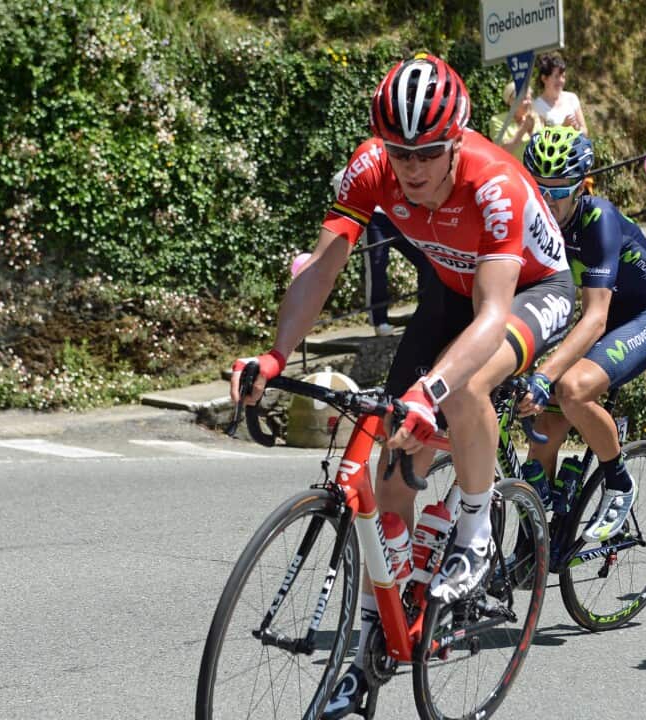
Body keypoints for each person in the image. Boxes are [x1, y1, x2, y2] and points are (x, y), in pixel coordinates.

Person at [229, 53, 575, 719]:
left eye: (427, 153)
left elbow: (495, 314)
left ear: (456, 141)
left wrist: (430, 392)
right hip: (447, 295)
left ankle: (474, 532)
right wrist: (274, 356)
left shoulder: (494, 183)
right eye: (399, 152)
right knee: (388, 479)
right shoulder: (370, 169)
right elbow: (323, 267)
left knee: (464, 387)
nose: (411, 168)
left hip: (530, 292)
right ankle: (372, 654)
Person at [517, 126, 646, 540]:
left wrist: (543, 375)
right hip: (602, 316)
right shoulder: (533, 220)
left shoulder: (598, 219)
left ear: (581, 187)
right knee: (542, 435)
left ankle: (619, 483)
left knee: (570, 387)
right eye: (539, 190)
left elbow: (594, 319)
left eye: (559, 191)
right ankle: (535, 542)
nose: (548, 201)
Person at [329, 168, 436, 335]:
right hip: (376, 219)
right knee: (377, 266)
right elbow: (339, 178)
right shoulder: (369, 160)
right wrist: (359, 206)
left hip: (400, 214)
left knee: (426, 259)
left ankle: (426, 311)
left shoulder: (402, 157)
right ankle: (379, 321)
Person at [532, 52, 588, 133]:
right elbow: (541, 141)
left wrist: (577, 128)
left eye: (563, 77)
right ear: (544, 78)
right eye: (557, 76)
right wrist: (563, 127)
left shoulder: (572, 98)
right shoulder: (537, 106)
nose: (561, 81)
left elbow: (585, 132)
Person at [487, 80, 543, 160]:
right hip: (510, 170)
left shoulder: (534, 118)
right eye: (524, 99)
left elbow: (542, 148)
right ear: (511, 101)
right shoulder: (497, 120)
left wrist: (531, 132)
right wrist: (523, 130)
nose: (528, 102)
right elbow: (502, 151)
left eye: (529, 98)